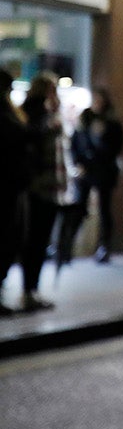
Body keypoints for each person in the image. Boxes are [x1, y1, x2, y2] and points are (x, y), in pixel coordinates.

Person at [19, 72, 67, 310]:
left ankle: (32, 290)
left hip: (46, 186)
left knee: (38, 241)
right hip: (39, 187)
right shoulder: (37, 115)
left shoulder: (44, 114)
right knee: (35, 240)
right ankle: (29, 290)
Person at [69, 87, 123, 263]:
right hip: (85, 170)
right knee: (79, 207)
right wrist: (78, 163)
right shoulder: (84, 120)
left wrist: (100, 137)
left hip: (104, 171)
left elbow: (115, 149)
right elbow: (75, 144)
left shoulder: (112, 123)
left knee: (104, 209)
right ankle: (67, 243)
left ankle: (104, 246)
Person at [0, 69, 30, 314]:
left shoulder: (12, 115)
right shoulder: (8, 117)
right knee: (9, 238)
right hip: (8, 187)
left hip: (12, 185)